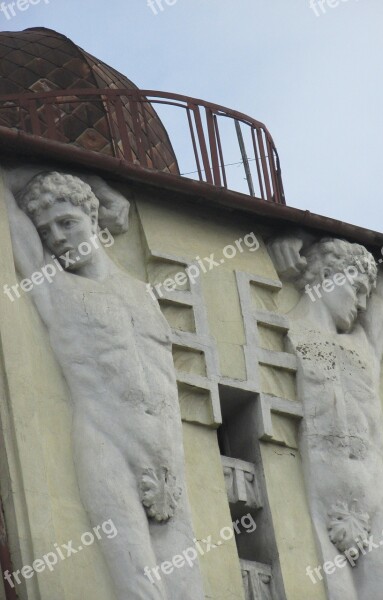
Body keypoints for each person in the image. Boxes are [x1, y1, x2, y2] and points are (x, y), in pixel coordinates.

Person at [3, 168, 204, 600]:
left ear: (93, 221)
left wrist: (98, 184)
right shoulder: (51, 286)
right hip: (107, 445)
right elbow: (5, 200)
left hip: (167, 455)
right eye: (46, 230)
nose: (56, 237)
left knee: (188, 589)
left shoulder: (144, 293)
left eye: (67, 223)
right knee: (138, 586)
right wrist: (48, 167)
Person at [269, 234, 383, 600]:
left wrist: (301, 234)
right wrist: (289, 243)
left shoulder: (363, 345)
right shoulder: (283, 329)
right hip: (319, 489)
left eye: (366, 292)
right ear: (326, 276)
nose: (362, 303)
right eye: (356, 288)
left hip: (375, 495)